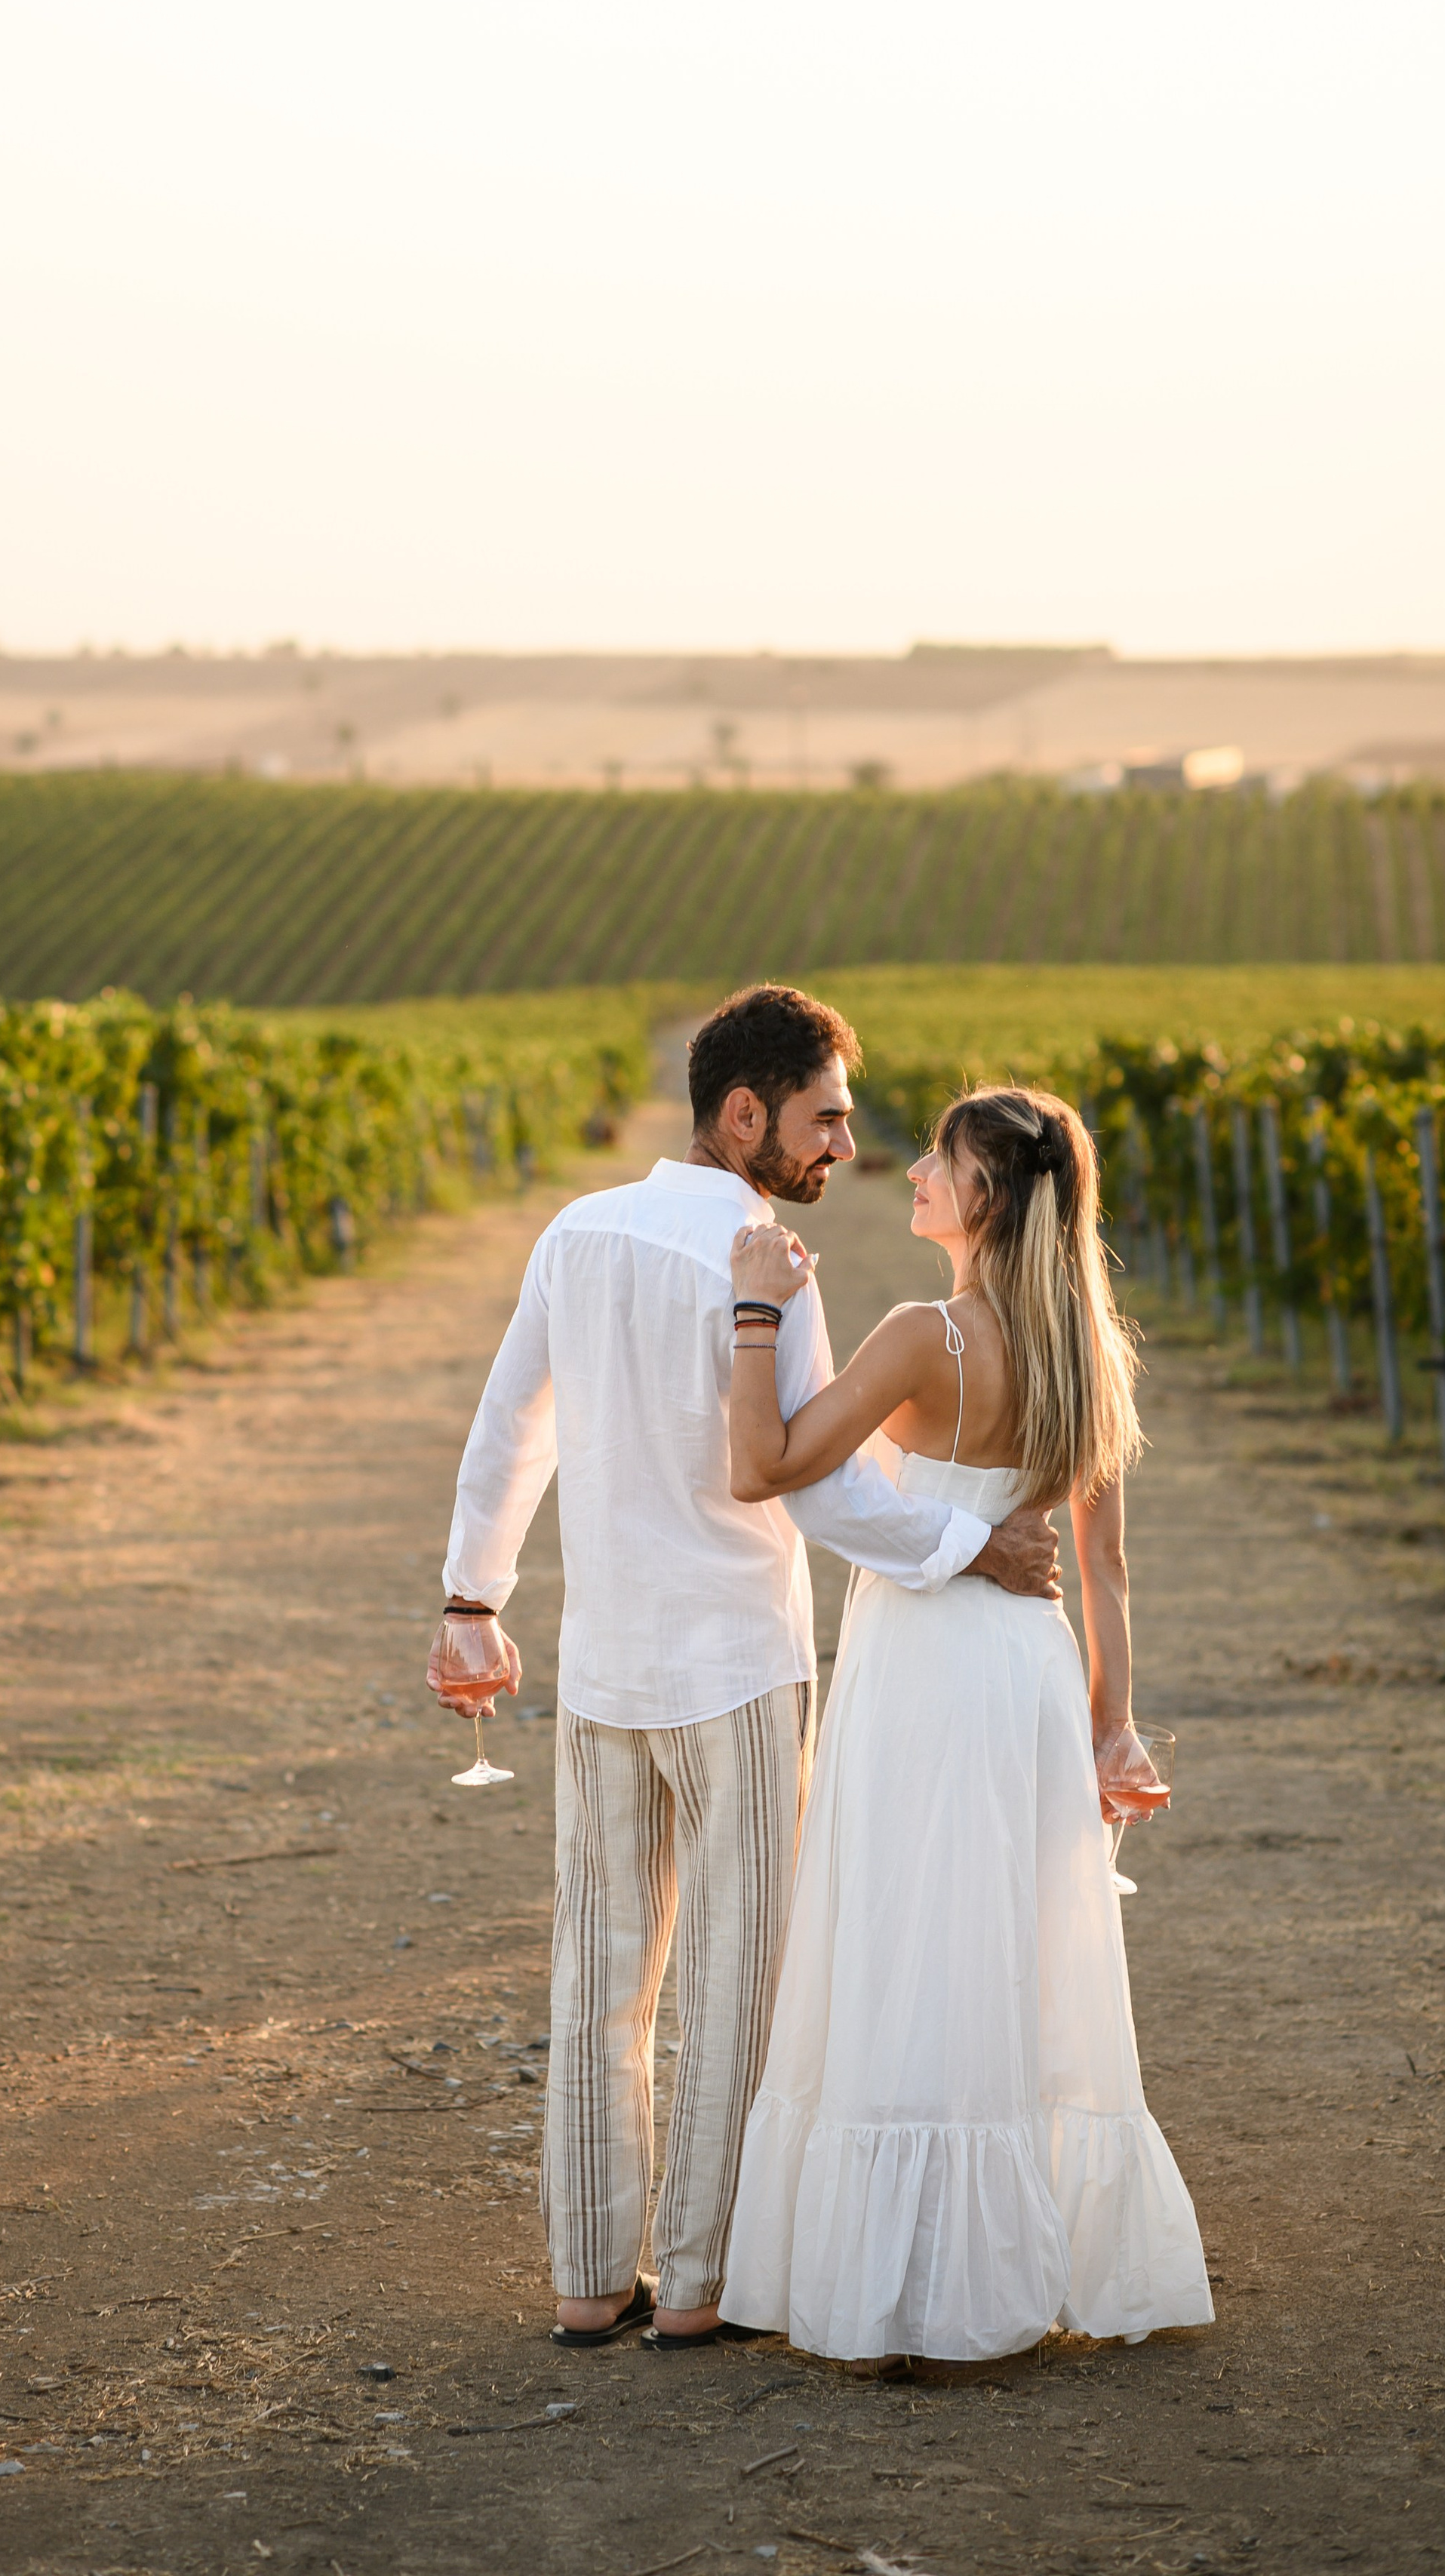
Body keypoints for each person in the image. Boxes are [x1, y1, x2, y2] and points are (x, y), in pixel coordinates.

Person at [428, 988, 1062, 2351]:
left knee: (596, 1975)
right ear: (745, 1114)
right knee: (735, 1980)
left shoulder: (576, 1229)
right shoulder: (767, 1260)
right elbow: (813, 1494)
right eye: (827, 1116)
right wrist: (973, 1545)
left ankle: (589, 2283)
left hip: (603, 1670)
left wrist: (470, 1599)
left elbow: (508, 1427)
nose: (845, 1145)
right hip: (738, 1672)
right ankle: (701, 2290)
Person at [717, 1084, 1213, 2367]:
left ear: (982, 1193)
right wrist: (1113, 1730)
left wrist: (757, 1310)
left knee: (907, 1938)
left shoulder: (924, 1337)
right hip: (1031, 1677)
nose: (917, 1174)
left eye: (938, 1161)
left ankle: (907, 2293)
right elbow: (1101, 1572)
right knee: (1002, 1945)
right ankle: (1000, 2272)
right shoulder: (1089, 1348)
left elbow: (764, 1464)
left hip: (923, 1660)